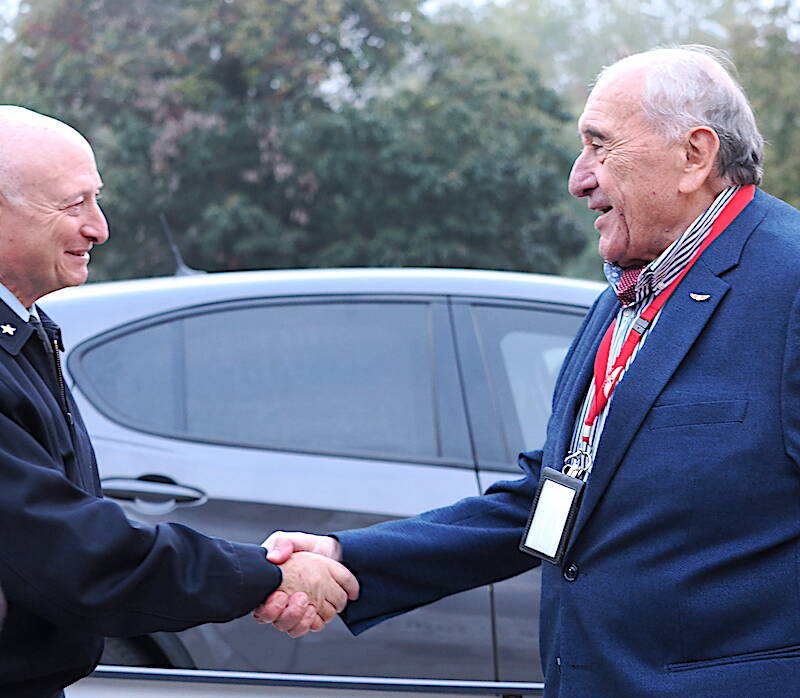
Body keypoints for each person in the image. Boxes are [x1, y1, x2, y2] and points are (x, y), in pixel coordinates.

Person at [255, 45, 800, 696]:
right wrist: (348, 557)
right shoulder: (627, 297)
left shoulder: (789, 286)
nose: (579, 179)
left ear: (695, 155)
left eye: (600, 147)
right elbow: (552, 503)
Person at [0, 105, 358, 698]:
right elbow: (68, 549)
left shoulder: (28, 328)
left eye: (97, 199)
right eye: (72, 205)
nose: (99, 227)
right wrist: (262, 575)